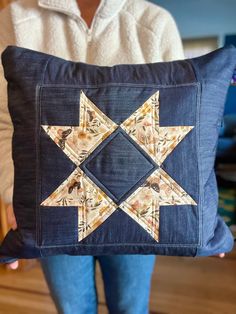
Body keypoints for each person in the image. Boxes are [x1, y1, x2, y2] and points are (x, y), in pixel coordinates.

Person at [0, 0, 225, 313]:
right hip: (55, 203)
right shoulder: (15, 18)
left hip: (144, 205)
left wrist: (202, 221)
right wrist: (13, 192)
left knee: (130, 306)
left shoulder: (154, 22)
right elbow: (4, 120)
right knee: (72, 308)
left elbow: (187, 121)